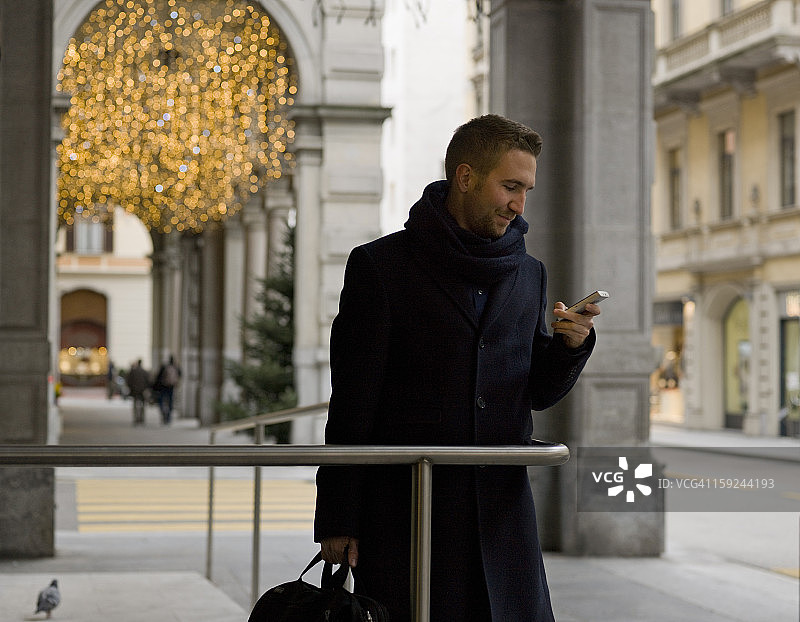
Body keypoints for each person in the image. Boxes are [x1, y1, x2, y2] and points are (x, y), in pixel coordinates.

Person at [314, 114, 600, 622]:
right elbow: (354, 400)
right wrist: (338, 517)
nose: (519, 204)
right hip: (411, 515)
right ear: (465, 177)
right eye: (510, 186)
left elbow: (533, 391)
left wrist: (571, 346)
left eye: (527, 190)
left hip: (503, 519)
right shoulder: (380, 267)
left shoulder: (529, 273)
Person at [154, 355, 181, 425]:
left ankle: (163, 413)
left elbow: (158, 377)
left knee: (161, 400)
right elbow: (180, 375)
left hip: (163, 386)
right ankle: (169, 417)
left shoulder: (164, 367)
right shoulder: (176, 367)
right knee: (170, 401)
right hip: (171, 387)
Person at [126, 359, 150, 426]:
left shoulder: (133, 371)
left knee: (135, 405)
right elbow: (148, 381)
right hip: (142, 390)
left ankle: (136, 418)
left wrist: (130, 388)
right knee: (143, 405)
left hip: (135, 390)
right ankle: (142, 418)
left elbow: (129, 380)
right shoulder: (145, 371)